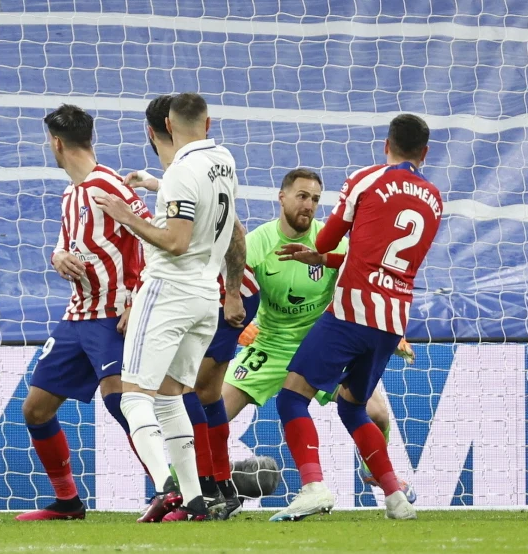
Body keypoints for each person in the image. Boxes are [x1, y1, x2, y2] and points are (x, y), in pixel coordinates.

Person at [271, 113, 440, 522]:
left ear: (387, 145)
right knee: (352, 407)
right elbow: (385, 257)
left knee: (292, 398)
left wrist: (321, 252)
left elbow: (328, 237)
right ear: (425, 152)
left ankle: (313, 487)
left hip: (351, 311)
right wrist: (329, 259)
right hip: (392, 320)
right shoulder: (434, 198)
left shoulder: (368, 178)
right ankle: (396, 498)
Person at [221, 168, 416, 514]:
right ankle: (201, 485)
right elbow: (229, 288)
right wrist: (240, 327)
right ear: (282, 197)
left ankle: (374, 471)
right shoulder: (259, 242)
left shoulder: (333, 242)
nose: (308, 204)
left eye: (314, 198)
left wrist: (394, 332)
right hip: (272, 343)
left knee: (378, 415)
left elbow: (365, 287)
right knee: (215, 412)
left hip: (323, 341)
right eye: (301, 196)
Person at [94, 92, 244, 522]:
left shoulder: (180, 170)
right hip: (204, 295)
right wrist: (153, 182)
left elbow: (176, 242)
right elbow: (226, 220)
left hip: (169, 291)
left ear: (161, 127)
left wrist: (126, 214)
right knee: (169, 395)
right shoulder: (223, 160)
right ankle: (196, 499)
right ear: (208, 124)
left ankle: (165, 485)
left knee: (132, 396)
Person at [16, 105, 150, 521]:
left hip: (113, 314)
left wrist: (138, 298)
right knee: (35, 409)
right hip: (78, 316)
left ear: (56, 143)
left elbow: (157, 238)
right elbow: (64, 244)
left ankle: (177, 492)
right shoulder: (72, 194)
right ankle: (69, 502)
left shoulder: (108, 186)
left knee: (121, 404)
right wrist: (57, 257)